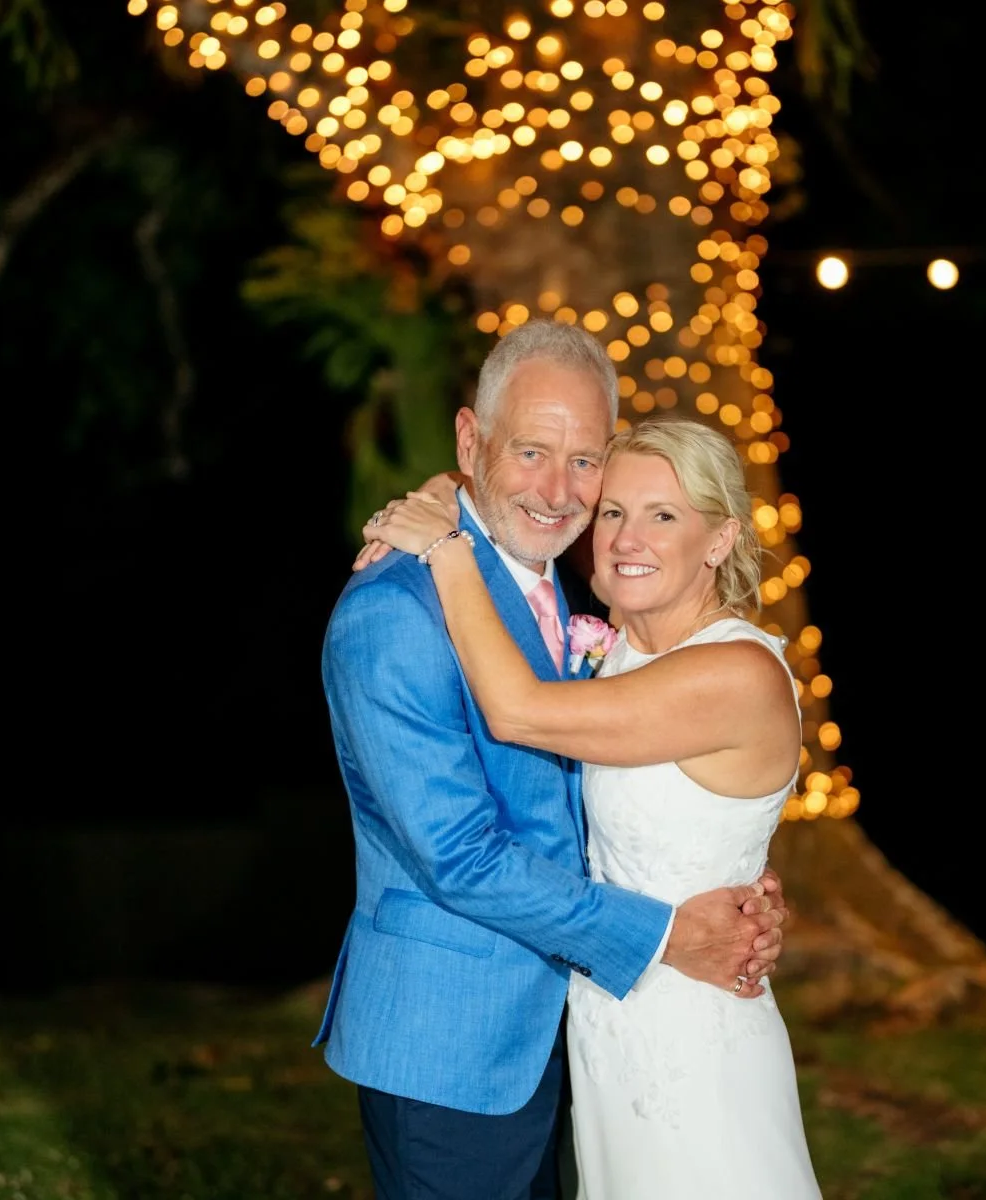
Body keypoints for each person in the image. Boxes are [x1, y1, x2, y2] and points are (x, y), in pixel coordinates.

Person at [316, 319, 788, 1200]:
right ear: (470, 440)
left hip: (574, 1035)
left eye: (585, 464)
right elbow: (460, 855)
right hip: (450, 1050)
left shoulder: (554, 588)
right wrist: (670, 932)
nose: (560, 491)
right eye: (531, 451)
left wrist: (732, 876)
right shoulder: (394, 615)